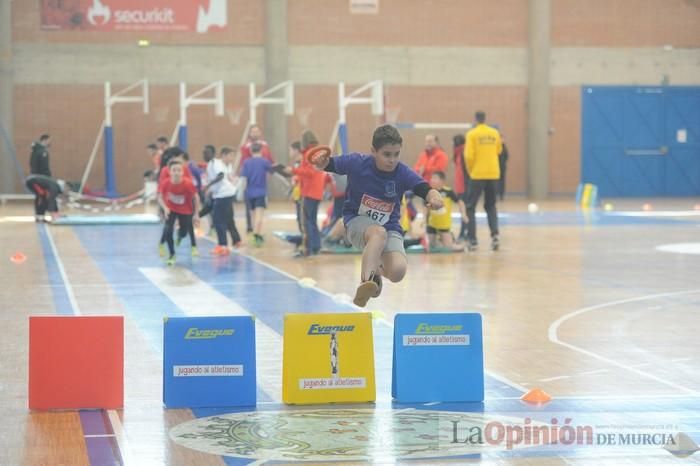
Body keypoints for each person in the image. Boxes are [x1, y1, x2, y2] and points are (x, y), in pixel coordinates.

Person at [310, 124, 443, 307]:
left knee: (397, 271)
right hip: (356, 222)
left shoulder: (401, 172)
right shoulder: (357, 162)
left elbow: (422, 187)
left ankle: (376, 272)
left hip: (391, 227)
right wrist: (322, 162)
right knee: (377, 233)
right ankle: (366, 282)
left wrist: (434, 195)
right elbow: (330, 164)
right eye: (387, 154)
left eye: (396, 154)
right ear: (374, 151)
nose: (392, 160)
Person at [464, 111, 503, 251]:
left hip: (477, 174)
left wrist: (470, 171)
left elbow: (468, 156)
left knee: (470, 207)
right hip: (493, 174)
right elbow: (499, 150)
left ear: (475, 119)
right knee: (491, 206)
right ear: (485, 119)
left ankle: (473, 240)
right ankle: (495, 236)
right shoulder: (495, 133)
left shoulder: (472, 134)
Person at [285, 130, 326, 257]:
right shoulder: (317, 153)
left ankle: (308, 248)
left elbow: (310, 173)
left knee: (306, 221)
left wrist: (293, 170)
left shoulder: (309, 153)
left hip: (309, 191)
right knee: (312, 220)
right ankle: (316, 247)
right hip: (317, 191)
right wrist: (298, 176)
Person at [157, 159, 201, 265]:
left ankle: (180, 235)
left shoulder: (187, 184)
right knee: (168, 230)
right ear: (169, 171)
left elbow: (196, 198)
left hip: (185, 210)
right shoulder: (165, 183)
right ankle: (172, 254)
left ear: (182, 172)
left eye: (179, 170)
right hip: (170, 209)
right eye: (174, 170)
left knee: (184, 233)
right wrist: (164, 208)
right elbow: (159, 197)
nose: (176, 172)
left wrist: (196, 214)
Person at [239, 124, 274, 234]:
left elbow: (271, 163)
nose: (255, 133)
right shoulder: (245, 147)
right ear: (250, 133)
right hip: (253, 184)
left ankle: (255, 231)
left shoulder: (265, 146)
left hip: (258, 184)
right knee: (255, 211)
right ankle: (254, 231)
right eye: (253, 131)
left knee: (255, 212)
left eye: (257, 131)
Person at [207, 147, 242, 255]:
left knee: (218, 220)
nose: (232, 158)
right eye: (231, 155)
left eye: (233, 155)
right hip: (225, 193)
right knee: (228, 218)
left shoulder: (225, 165)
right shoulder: (217, 163)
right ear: (223, 155)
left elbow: (221, 176)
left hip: (224, 194)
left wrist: (207, 187)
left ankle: (222, 245)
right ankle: (236, 240)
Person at [240, 142, 276, 246]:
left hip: (249, 192)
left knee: (252, 215)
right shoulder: (265, 162)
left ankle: (253, 234)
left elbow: (244, 179)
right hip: (260, 192)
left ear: (251, 151)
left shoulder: (246, 162)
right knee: (259, 215)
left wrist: (244, 192)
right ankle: (256, 235)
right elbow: (272, 171)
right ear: (261, 150)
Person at [426, 172, 463, 251]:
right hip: (432, 224)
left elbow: (460, 202)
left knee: (449, 247)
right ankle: (439, 240)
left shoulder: (448, 192)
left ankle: (453, 241)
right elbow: (426, 208)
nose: (432, 180)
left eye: (435, 178)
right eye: (432, 178)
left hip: (444, 224)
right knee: (430, 246)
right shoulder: (430, 192)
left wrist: (464, 214)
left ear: (442, 181)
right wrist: (424, 220)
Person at [452, 134, 469, 240]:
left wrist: (467, 187)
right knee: (463, 210)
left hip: (464, 187)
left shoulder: (464, 153)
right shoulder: (457, 153)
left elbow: (466, 173)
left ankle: (465, 233)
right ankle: (464, 233)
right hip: (460, 187)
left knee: (465, 211)